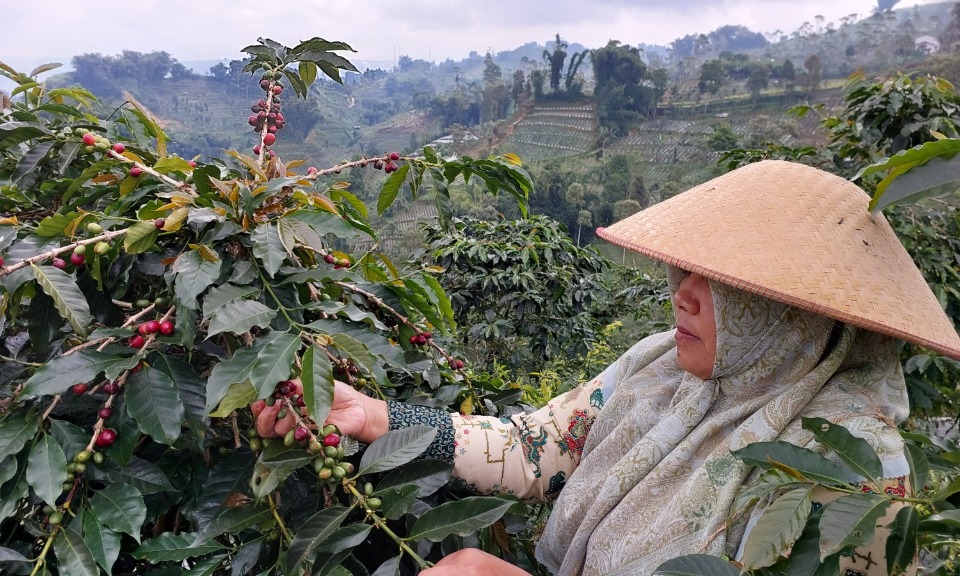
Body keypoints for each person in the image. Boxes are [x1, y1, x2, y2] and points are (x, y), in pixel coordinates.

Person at [253, 161, 960, 575]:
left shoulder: (853, 470)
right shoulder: (658, 368)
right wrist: (374, 418)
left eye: (725, 285)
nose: (681, 291)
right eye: (688, 268)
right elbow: (537, 449)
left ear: (796, 312)